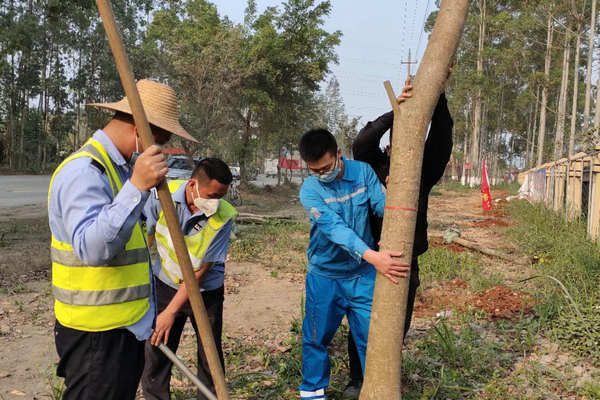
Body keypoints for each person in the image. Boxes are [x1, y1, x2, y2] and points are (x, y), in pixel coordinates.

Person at [48, 79, 198, 399]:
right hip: (96, 334)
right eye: (161, 139)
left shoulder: (121, 170)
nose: (161, 150)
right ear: (140, 131)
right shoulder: (85, 172)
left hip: (122, 328)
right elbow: (93, 249)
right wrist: (137, 187)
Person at [341, 76, 454, 398]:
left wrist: (438, 97)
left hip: (405, 261)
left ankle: (384, 377)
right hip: (368, 258)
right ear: (390, 142)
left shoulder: (424, 170)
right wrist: (398, 110)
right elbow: (363, 141)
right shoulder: (372, 165)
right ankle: (357, 379)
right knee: (361, 321)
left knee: (395, 324)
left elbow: (442, 139)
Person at [297, 129, 410, 400]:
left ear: (338, 154)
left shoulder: (362, 173)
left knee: (373, 340)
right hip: (325, 276)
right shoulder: (310, 190)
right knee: (315, 338)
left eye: (325, 167)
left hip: (363, 276)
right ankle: (313, 392)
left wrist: (397, 193)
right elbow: (335, 229)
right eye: (315, 170)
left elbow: (382, 208)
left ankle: (376, 390)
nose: (322, 174)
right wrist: (374, 257)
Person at [141, 158, 237, 400]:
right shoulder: (163, 195)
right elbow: (148, 234)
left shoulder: (223, 217)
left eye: (221, 196)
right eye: (212, 195)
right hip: (165, 283)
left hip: (205, 291)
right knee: (157, 349)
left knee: (210, 353)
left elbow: (199, 274)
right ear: (193, 184)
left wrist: (170, 312)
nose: (215, 202)